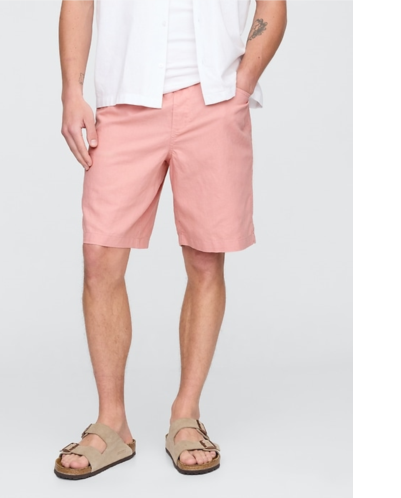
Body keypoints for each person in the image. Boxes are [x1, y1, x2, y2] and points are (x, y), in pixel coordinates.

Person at [54, 0, 287, 480]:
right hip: (125, 98)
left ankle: (186, 414)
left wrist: (242, 83)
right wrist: (71, 92)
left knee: (205, 260)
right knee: (100, 257)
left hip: (214, 98)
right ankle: (111, 422)